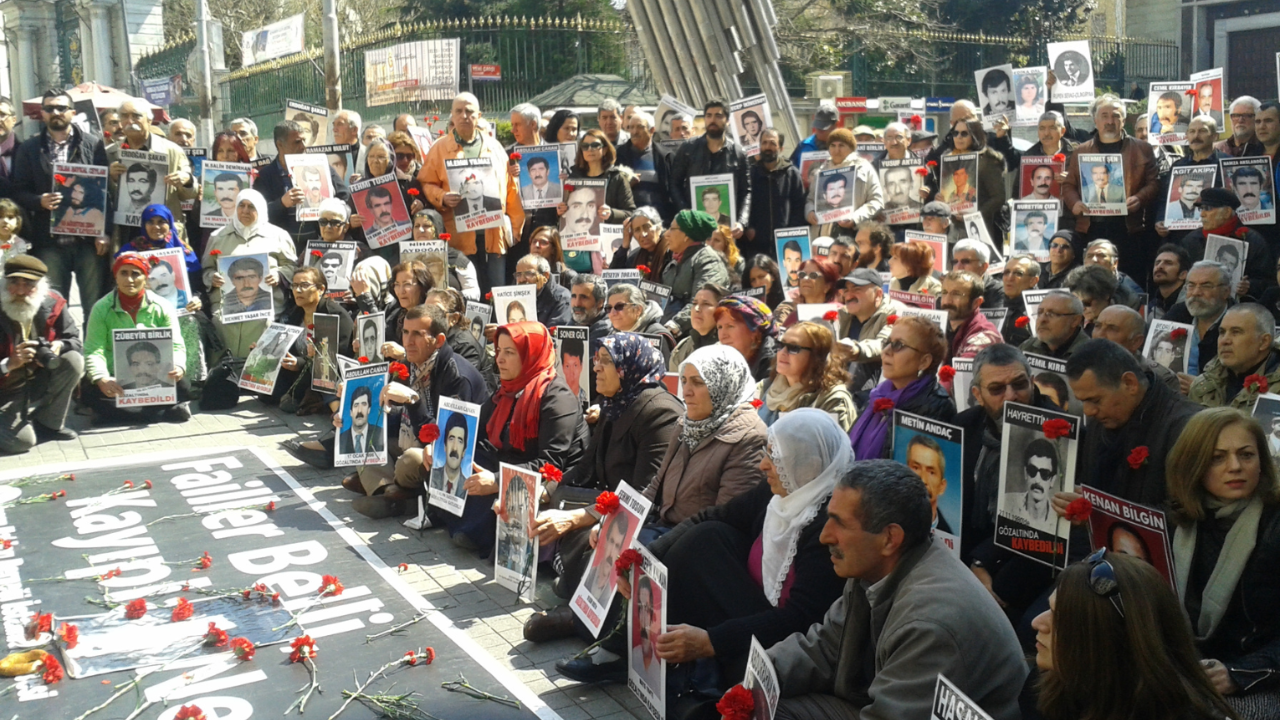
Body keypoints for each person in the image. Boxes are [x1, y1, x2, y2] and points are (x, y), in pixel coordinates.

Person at [558, 409, 851, 696]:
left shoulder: (825, 526)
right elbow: (710, 517)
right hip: (751, 605)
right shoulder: (777, 494)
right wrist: (641, 560)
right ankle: (630, 648)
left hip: (787, 638)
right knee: (705, 536)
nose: (763, 465)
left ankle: (682, 665)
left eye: (775, 458)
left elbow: (799, 619)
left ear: (805, 464)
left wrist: (711, 641)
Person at [766, 459, 1025, 720]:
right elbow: (825, 648)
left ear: (890, 538)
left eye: (840, 523)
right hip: (878, 702)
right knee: (761, 706)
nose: (825, 536)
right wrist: (757, 679)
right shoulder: (876, 567)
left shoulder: (930, 622)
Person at [520, 335, 681, 635]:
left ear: (629, 366)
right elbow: (583, 468)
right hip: (609, 501)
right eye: (596, 360)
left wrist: (577, 518)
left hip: (642, 514)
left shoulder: (660, 412)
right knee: (548, 506)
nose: (596, 368)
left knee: (592, 535)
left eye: (606, 361)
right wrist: (545, 491)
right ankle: (572, 581)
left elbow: (644, 494)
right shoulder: (616, 402)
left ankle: (579, 617)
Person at [1164, 408, 1280, 717]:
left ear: (1262, 461)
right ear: (1193, 465)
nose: (1235, 467)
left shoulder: (1275, 526)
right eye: (1217, 458)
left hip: (1257, 675)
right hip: (1186, 662)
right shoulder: (1176, 520)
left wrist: (1237, 674)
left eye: (1246, 455)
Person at [1031, 550, 1239, 720]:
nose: (1037, 623)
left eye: (1060, 618)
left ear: (1107, 640)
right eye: (1049, 609)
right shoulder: (1056, 684)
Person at [442, 322, 588, 553]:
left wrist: (498, 481)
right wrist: (438, 443)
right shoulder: (508, 390)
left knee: (490, 490)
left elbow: (550, 465)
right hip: (514, 463)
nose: (499, 359)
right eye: (499, 351)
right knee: (460, 457)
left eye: (509, 353)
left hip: (551, 480)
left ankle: (476, 531)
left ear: (531, 355)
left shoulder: (557, 397)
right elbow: (475, 429)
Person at [955, 344, 1060, 620]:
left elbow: (1038, 524)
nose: (1012, 397)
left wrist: (981, 561)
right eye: (997, 389)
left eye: (1019, 385)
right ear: (977, 394)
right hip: (975, 544)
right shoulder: (966, 425)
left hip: (1031, 551)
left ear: (1032, 382)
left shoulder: (1058, 430)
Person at [1064, 338, 1200, 507]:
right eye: (1082, 401)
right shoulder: (1102, 420)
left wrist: (1103, 515)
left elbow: (1188, 512)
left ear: (1130, 383)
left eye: (1095, 400)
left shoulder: (1188, 428)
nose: (1088, 411)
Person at [643, 344, 766, 529]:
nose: (686, 392)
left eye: (698, 382)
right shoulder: (687, 423)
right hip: (661, 530)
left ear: (724, 384)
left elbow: (721, 523)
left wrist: (657, 547)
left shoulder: (749, 438)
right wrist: (609, 521)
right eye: (684, 381)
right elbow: (655, 486)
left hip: (694, 545)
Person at [11, 89, 111, 311]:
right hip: (49, 241)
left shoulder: (92, 144)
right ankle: (58, 346)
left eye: (61, 108)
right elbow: (18, 191)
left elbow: (104, 191)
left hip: (88, 239)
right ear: (42, 114)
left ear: (72, 112)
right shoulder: (29, 148)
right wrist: (39, 201)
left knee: (95, 306)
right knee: (52, 306)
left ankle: (92, 346)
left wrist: (105, 231)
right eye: (49, 108)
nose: (55, 112)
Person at [419, 93, 523, 294]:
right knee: (468, 294)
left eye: (469, 111)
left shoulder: (495, 147)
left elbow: (510, 189)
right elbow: (426, 182)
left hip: (493, 235)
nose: (464, 116)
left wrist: (516, 227)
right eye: (459, 111)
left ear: (479, 116)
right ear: (452, 115)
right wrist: (441, 197)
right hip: (459, 236)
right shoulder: (439, 148)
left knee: (495, 292)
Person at [82, 253, 190, 424]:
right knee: (91, 391)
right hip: (115, 377)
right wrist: (101, 378)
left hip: (154, 376)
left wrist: (178, 366)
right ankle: (159, 412)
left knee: (183, 385)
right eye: (123, 273)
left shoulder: (163, 306)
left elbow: (176, 344)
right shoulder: (101, 308)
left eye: (135, 274)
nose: (130, 280)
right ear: (115, 277)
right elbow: (94, 349)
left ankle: (123, 414)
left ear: (145, 278)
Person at [1062, 95, 1161, 279]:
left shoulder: (1142, 149)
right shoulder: (1081, 151)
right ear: (1095, 120)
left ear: (1124, 119)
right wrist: (1074, 203)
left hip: (1129, 229)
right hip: (1092, 228)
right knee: (1093, 280)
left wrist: (1140, 198)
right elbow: (1068, 185)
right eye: (1104, 115)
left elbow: (1154, 183)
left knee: (1131, 280)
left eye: (1115, 116)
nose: (1110, 121)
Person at [0, 255, 84, 452]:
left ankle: (48, 424)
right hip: (5, 387)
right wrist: (8, 364)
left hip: (36, 379)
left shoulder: (53, 302)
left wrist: (58, 346)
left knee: (73, 360)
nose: (20, 291)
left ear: (41, 287)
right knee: (20, 443)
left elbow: (74, 340)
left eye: (28, 285)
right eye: (14, 283)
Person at [202, 189, 298, 359]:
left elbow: (292, 266)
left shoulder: (279, 236)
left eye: (251, 207)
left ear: (260, 210)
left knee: (264, 327)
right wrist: (212, 278)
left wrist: (279, 275)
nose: (245, 211)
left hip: (264, 308)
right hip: (227, 307)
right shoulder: (218, 237)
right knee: (219, 325)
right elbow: (206, 269)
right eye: (242, 206)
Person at [848, 315, 955, 459]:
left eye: (898, 345)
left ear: (924, 361)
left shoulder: (937, 407)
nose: (886, 351)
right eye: (887, 342)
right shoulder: (876, 395)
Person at [253, 119, 351, 250]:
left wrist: (331, 209)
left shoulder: (320, 166)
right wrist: (282, 203)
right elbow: (257, 215)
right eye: (297, 142)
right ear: (280, 145)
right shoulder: (265, 176)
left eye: (304, 140)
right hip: (281, 247)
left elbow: (345, 196)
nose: (303, 146)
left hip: (321, 243)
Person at [668, 101, 750, 237]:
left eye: (718, 116)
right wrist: (687, 214)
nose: (713, 120)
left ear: (728, 120)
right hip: (694, 228)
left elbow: (746, 191)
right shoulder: (688, 149)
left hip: (726, 231)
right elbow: (674, 184)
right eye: (709, 116)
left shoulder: (739, 153)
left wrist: (742, 222)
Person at [756, 321, 855, 430]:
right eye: (781, 344)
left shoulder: (832, 399)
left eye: (793, 347)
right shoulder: (765, 387)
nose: (783, 352)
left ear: (817, 356)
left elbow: (831, 445)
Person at [1179, 188, 1273, 301]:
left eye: (1208, 209)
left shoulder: (1253, 240)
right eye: (1201, 209)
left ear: (1227, 212)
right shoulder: (1191, 240)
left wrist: (1249, 286)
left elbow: (1268, 280)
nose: (1202, 214)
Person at [927, 119, 1006, 242]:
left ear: (975, 136)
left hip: (978, 228)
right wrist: (939, 197)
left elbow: (998, 197)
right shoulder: (947, 158)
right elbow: (945, 191)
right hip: (950, 228)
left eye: (964, 134)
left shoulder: (987, 160)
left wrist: (974, 215)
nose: (959, 137)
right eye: (955, 133)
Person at [1189, 303, 1280, 409]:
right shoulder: (1202, 385)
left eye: (1236, 332)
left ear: (1264, 342)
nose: (1224, 340)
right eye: (1222, 332)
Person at [834, 267, 908, 395]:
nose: (849, 296)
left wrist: (858, 350)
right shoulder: (842, 316)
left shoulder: (895, 312)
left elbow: (885, 344)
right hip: (843, 382)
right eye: (846, 290)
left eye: (856, 290)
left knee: (861, 364)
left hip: (880, 385)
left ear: (878, 294)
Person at [661, 210, 731, 338]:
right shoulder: (673, 262)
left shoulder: (708, 260)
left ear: (686, 235)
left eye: (672, 229)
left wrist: (675, 325)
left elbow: (703, 302)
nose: (666, 234)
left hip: (697, 337)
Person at [803, 128, 884, 239]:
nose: (837, 150)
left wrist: (855, 218)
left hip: (853, 235)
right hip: (821, 235)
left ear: (851, 148)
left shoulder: (863, 167)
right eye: (833, 145)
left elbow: (876, 200)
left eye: (841, 145)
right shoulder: (821, 170)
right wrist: (810, 212)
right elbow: (811, 199)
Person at [1165, 261, 1234, 386]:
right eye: (1191, 285)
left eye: (1206, 286)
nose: (1196, 292)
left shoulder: (1239, 322)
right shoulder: (1177, 313)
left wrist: (1200, 387)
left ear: (1226, 292)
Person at [744, 128, 807, 258]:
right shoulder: (751, 173)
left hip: (785, 246)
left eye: (772, 143)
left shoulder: (792, 174)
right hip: (755, 245)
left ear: (781, 148)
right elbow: (744, 202)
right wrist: (748, 227)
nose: (768, 147)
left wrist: (791, 232)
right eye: (764, 143)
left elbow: (799, 207)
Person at [1092, 305, 1181, 392]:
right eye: (1097, 325)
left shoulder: (1159, 379)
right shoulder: (1081, 365)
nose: (1100, 334)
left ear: (1136, 342)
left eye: (1112, 329)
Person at [615, 111, 672, 223]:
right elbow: (610, 190)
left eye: (640, 127)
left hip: (659, 220)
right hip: (628, 219)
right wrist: (626, 185)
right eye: (631, 127)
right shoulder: (618, 155)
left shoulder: (665, 156)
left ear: (652, 130)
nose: (634, 132)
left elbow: (671, 191)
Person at [939, 270, 1003, 365]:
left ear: (977, 303)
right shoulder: (940, 328)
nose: (947, 301)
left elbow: (959, 377)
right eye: (944, 292)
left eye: (956, 294)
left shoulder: (985, 335)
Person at [1001, 437, 1062, 534]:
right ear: (1025, 473)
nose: (1037, 480)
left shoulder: (1060, 520)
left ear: (1052, 480)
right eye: (1032, 471)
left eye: (1044, 474)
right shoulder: (1006, 502)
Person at [715, 295, 778, 382]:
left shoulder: (772, 362)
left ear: (754, 331)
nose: (723, 335)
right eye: (720, 327)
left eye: (730, 326)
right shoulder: (718, 359)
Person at [607, 283, 674, 358]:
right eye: (609, 308)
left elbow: (663, 368)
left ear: (638, 310)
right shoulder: (612, 333)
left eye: (619, 306)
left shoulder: (656, 334)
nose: (613, 313)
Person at [774, 257, 841, 328]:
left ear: (827, 286)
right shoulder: (793, 317)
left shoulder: (838, 312)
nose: (805, 279)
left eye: (813, 275)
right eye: (802, 275)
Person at [1021, 290, 1087, 359]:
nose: (1042, 319)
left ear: (1075, 320)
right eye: (1039, 313)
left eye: (1052, 314)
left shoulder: (1091, 354)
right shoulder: (1028, 347)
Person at [513, 254, 572, 327]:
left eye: (528, 274)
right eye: (518, 275)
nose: (522, 279)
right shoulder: (513, 297)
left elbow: (555, 334)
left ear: (545, 276)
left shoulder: (561, 298)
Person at [998, 253, 1040, 345]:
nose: (1009, 278)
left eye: (1018, 273)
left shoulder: (1040, 310)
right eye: (1006, 272)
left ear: (1033, 281)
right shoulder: (995, 303)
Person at [952, 239, 1003, 308]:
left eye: (965, 262)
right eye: (955, 262)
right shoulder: (947, 287)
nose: (958, 267)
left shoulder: (997, 291)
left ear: (984, 266)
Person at [1151, 243, 1191, 320]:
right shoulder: (1152, 308)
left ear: (1183, 274)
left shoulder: (1191, 305)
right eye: (1157, 263)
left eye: (1168, 263)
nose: (1159, 266)